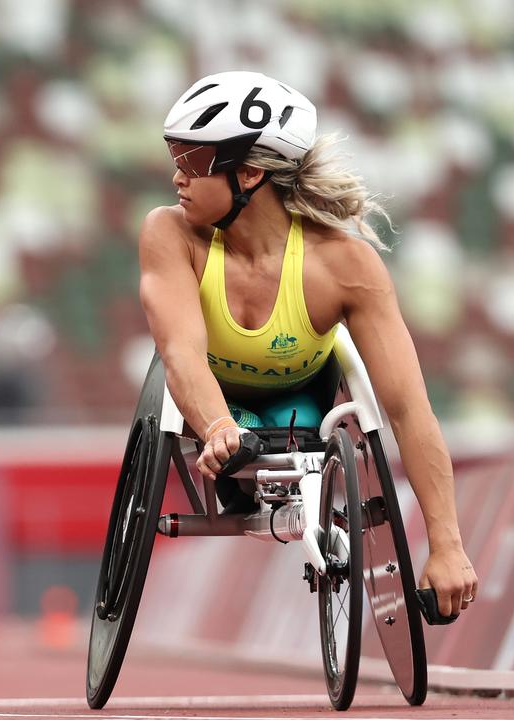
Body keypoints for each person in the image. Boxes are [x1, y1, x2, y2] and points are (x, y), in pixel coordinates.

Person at [140, 70, 478, 617]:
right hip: (216, 411)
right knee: (238, 443)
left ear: (249, 173)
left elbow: (410, 412)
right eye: (174, 154)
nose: (176, 176)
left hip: (303, 413)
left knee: (299, 430)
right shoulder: (169, 232)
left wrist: (448, 547)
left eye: (191, 160)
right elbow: (178, 349)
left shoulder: (344, 266)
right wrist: (220, 426)